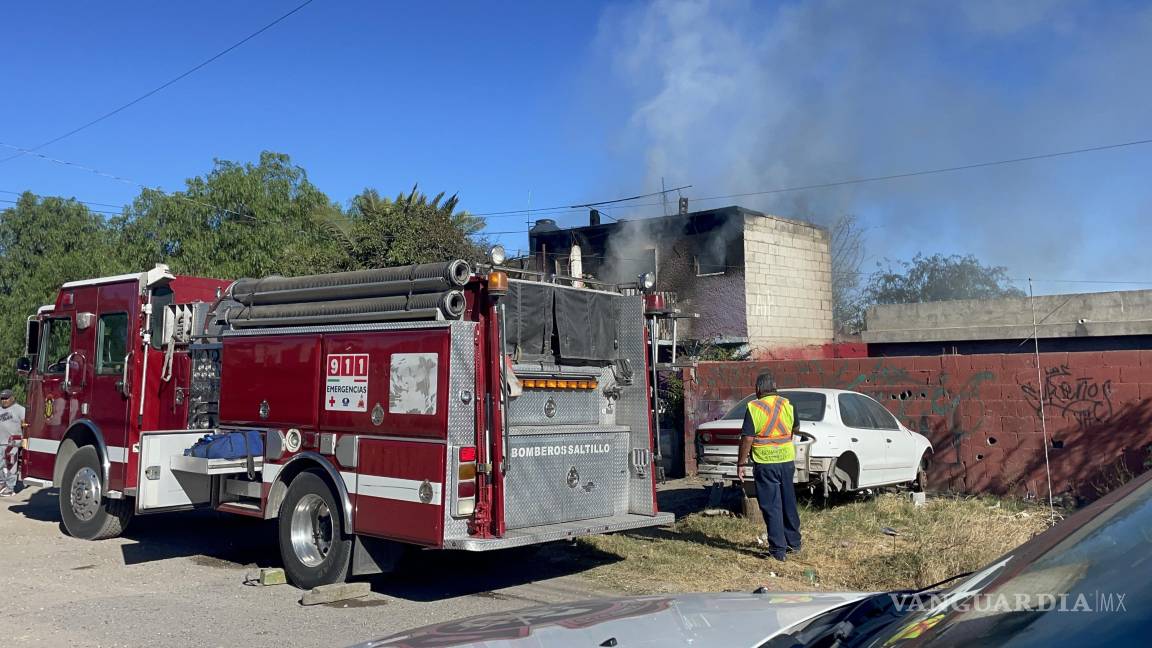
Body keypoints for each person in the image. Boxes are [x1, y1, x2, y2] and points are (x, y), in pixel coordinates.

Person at [736, 373, 801, 561]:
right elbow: (795, 428)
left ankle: (778, 551)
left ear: (758, 389)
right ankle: (794, 544)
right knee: (789, 502)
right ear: (775, 387)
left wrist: (741, 463)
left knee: (772, 506)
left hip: (765, 463)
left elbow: (747, 438)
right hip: (787, 461)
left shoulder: (753, 407)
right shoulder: (787, 404)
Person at [0, 389, 26, 496]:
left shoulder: (20, 409)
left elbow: (25, 425)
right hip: (1, 441)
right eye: (2, 398)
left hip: (14, 442)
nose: (4, 401)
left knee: (11, 465)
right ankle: (2, 483)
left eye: (6, 398)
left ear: (12, 398)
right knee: (1, 465)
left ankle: (10, 488)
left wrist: (24, 440)